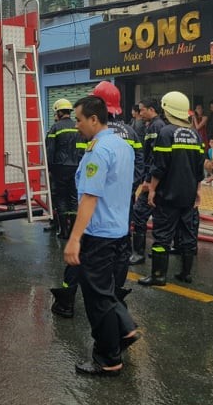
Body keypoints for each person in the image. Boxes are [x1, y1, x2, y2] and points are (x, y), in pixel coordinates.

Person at [50, 83, 142, 318]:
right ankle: (116, 307)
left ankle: (67, 300)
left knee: (80, 257)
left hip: (95, 214)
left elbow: (85, 169)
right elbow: (139, 166)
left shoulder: (95, 139)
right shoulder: (130, 133)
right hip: (122, 210)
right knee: (118, 260)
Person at [64, 95, 139, 376]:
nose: (76, 125)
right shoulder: (123, 145)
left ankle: (108, 360)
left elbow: (89, 198)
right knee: (107, 292)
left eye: (79, 120)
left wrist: (74, 239)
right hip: (120, 232)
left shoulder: (97, 151)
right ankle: (124, 329)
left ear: (94, 119)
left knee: (97, 299)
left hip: (99, 235)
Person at [140, 91, 205, 285]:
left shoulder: (166, 133)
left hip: (168, 195)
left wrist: (151, 189)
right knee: (187, 234)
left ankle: (158, 276)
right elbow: (199, 167)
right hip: (188, 195)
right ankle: (186, 274)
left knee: (162, 235)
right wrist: (198, 191)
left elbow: (159, 166)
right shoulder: (195, 135)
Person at [129, 97, 166, 265]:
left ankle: (138, 253)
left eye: (142, 109)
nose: (140, 112)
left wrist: (148, 181)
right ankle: (156, 251)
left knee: (139, 213)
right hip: (155, 179)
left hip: (153, 180)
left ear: (151, 109)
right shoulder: (154, 125)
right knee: (157, 215)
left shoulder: (156, 127)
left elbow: (155, 158)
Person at [45, 98, 84, 243]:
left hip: (59, 168)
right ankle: (73, 230)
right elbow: (83, 149)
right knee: (74, 198)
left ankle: (63, 231)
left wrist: (49, 168)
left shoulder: (54, 129)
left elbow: (50, 151)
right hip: (76, 168)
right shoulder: (77, 126)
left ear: (60, 112)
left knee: (60, 198)